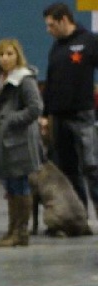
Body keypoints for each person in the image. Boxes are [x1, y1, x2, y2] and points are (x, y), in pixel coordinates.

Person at [0, 39, 44, 247]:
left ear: (17, 55)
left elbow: (36, 108)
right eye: (1, 55)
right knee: (10, 187)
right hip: (2, 142)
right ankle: (12, 230)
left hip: (19, 142)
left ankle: (21, 232)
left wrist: (11, 120)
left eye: (10, 54)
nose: (5, 58)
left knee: (20, 186)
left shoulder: (24, 79)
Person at [41, 2, 98, 217]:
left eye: (51, 25)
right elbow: (51, 82)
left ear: (64, 20)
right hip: (59, 118)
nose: (49, 31)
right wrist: (45, 115)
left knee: (92, 168)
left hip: (82, 115)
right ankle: (78, 215)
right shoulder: (56, 47)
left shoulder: (89, 41)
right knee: (67, 171)